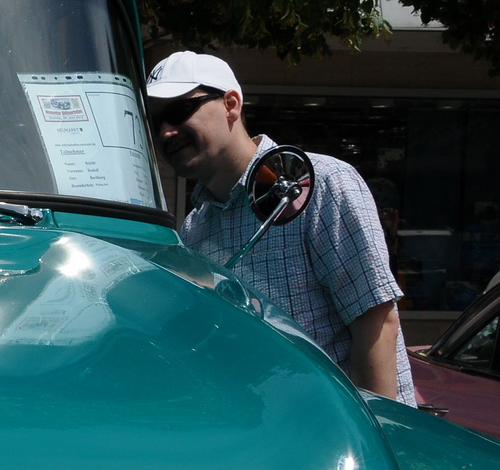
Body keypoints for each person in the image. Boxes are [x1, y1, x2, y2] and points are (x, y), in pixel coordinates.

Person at [147, 51, 415, 404]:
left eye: (180, 111)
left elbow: (376, 323)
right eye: (156, 122)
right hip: (273, 443)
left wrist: (376, 439)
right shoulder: (195, 228)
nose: (167, 132)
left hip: (346, 440)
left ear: (231, 104)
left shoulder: (322, 183)